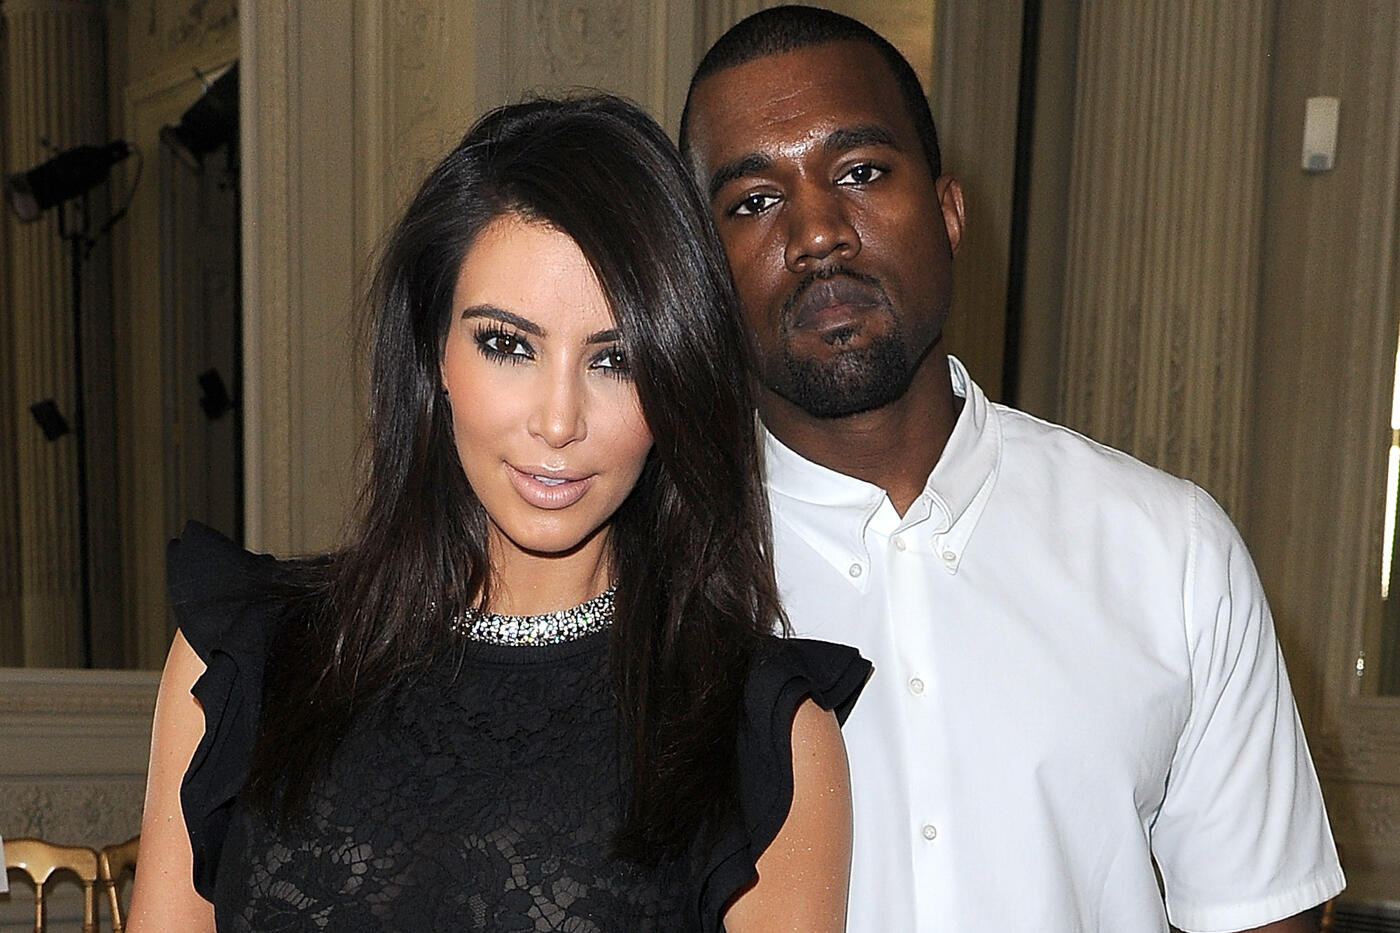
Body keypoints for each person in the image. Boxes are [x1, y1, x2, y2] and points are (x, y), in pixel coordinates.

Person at [127, 94, 869, 932]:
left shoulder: (762, 738)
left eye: (616, 360)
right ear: (434, 348)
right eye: (508, 345)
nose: (558, 421)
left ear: (677, 382)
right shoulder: (242, 661)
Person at [679, 6, 1345, 932]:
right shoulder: (650, 579)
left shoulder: (1170, 553)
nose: (817, 231)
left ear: (950, 213)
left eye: (861, 172)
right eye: (754, 200)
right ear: (700, 274)